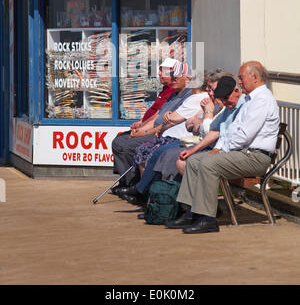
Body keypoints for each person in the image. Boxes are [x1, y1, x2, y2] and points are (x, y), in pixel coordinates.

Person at [168, 61, 280, 234]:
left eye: (242, 78)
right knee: (194, 160)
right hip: (244, 153)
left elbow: (244, 135)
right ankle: (191, 212)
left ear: (255, 77)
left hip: (255, 157)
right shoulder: (251, 99)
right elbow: (231, 131)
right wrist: (219, 149)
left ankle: (208, 218)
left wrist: (220, 150)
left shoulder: (262, 100)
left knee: (208, 164)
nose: (240, 82)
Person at [119, 66, 209, 204]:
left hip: (179, 139)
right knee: (140, 149)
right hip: (170, 135)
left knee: (150, 151)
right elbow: (162, 115)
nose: (173, 80)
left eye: (176, 77)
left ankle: (143, 192)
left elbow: (173, 118)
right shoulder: (181, 95)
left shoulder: (196, 98)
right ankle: (146, 195)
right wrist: (145, 127)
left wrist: (154, 129)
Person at [111, 59, 192, 192]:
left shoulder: (188, 95)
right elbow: (158, 116)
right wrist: (141, 128)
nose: (172, 80)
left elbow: (168, 122)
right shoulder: (171, 93)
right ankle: (127, 182)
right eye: (171, 76)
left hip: (165, 135)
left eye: (175, 77)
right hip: (153, 129)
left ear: (186, 78)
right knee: (119, 141)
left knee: (127, 145)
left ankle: (135, 185)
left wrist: (144, 132)